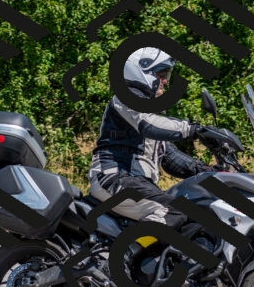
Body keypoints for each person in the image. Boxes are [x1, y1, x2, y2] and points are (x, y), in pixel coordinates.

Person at [87, 47, 216, 234]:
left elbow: (169, 157)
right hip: (115, 179)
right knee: (173, 211)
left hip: (135, 182)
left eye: (167, 75)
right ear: (142, 73)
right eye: (161, 74)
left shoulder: (147, 111)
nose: (165, 81)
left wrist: (206, 171)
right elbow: (149, 126)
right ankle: (130, 249)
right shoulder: (126, 98)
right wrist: (195, 130)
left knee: (195, 215)